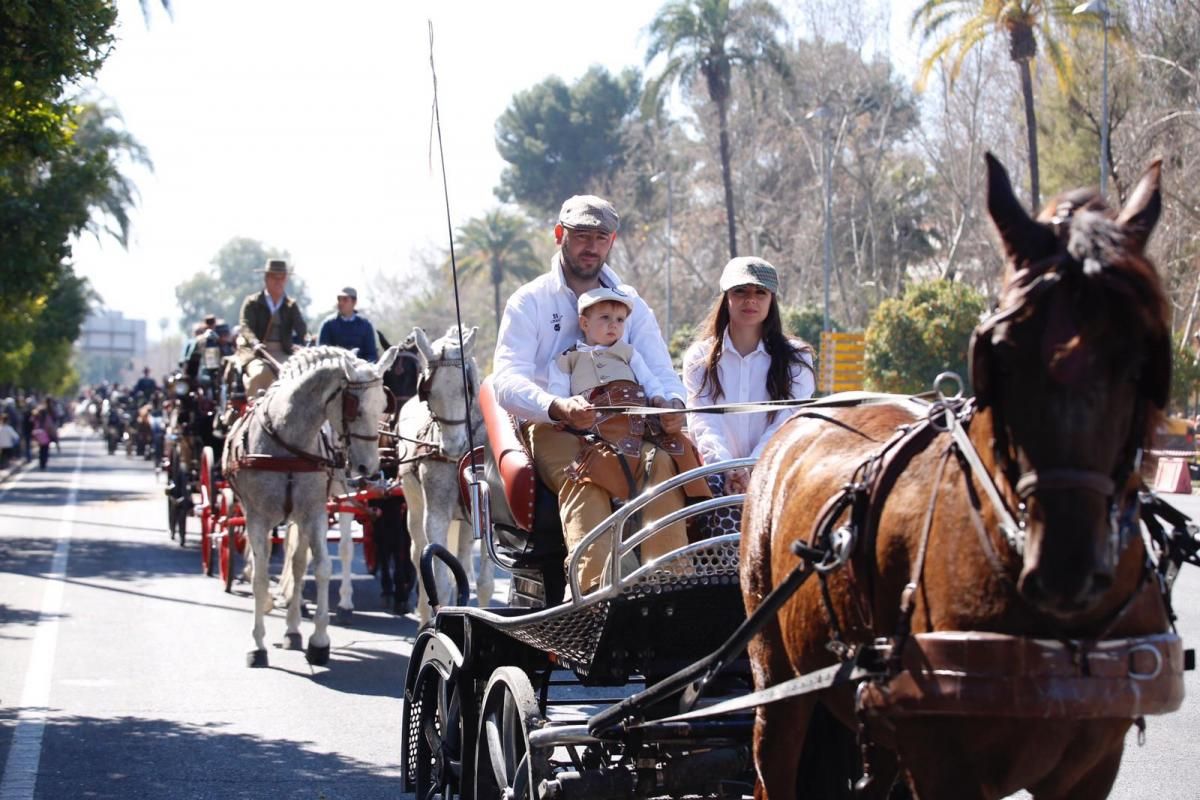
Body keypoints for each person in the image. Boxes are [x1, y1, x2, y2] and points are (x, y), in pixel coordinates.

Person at [492, 195, 695, 593]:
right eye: (581, 235)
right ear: (559, 235)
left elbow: (660, 371)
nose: (591, 246)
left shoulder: (631, 303)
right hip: (556, 428)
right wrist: (556, 406)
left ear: (612, 241)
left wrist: (671, 405)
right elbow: (506, 380)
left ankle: (670, 591)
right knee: (584, 475)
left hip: (628, 425)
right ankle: (596, 600)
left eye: (600, 237)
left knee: (662, 466)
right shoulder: (529, 301)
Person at [683, 257, 815, 500]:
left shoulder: (797, 358)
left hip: (776, 474)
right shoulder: (699, 357)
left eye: (760, 292)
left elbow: (788, 421)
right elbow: (702, 421)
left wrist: (753, 465)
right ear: (726, 297)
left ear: (771, 300)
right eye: (741, 291)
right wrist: (727, 469)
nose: (750, 299)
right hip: (716, 477)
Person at [235, 259, 308, 398]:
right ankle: (253, 412)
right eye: (275, 277)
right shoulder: (252, 303)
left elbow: (301, 328)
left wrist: (308, 340)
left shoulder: (290, 305)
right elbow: (245, 326)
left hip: (283, 352)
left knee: (300, 375)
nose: (279, 281)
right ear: (266, 278)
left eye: (282, 278)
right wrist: (255, 342)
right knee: (260, 374)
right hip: (256, 353)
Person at [317, 286, 378, 361]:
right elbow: (322, 353)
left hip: (360, 369)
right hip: (334, 369)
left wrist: (365, 367)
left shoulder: (365, 326)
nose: (341, 303)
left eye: (345, 300)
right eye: (339, 299)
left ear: (354, 302)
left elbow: (372, 354)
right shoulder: (328, 325)